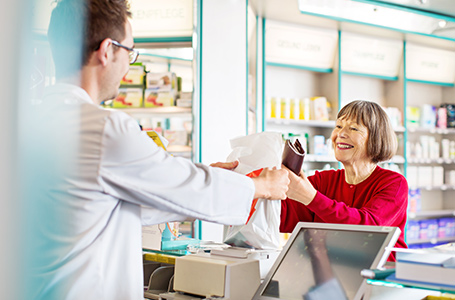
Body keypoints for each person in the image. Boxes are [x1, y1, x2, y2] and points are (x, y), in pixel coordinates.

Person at [24, 0, 289, 299]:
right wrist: (260, 185)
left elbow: (112, 203)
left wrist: (210, 176)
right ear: (106, 50)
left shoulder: (32, 123)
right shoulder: (103, 129)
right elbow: (185, 187)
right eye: (129, 52)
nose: (129, 64)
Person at [281, 100, 408, 260]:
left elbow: (368, 228)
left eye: (353, 128)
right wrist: (255, 187)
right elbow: (281, 216)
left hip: (380, 275)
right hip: (336, 273)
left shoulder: (394, 183)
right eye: (338, 126)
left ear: (376, 138)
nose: (340, 134)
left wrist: (311, 197)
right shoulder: (323, 181)